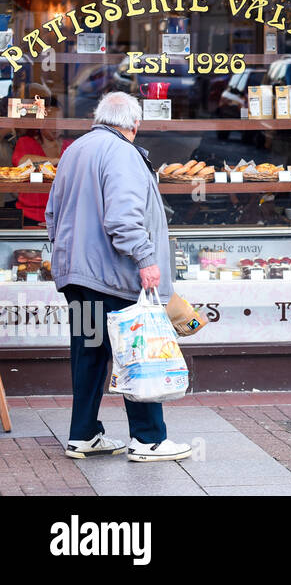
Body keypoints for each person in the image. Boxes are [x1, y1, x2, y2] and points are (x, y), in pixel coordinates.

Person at [45, 92, 193, 462]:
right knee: (136, 352)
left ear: (99, 118)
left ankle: (83, 436)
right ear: (135, 124)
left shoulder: (75, 150)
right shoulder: (124, 153)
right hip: (113, 277)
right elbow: (123, 219)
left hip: (78, 279)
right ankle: (148, 440)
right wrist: (146, 259)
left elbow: (51, 214)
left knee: (89, 354)